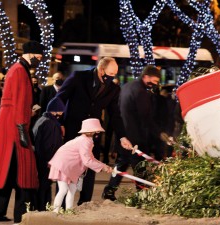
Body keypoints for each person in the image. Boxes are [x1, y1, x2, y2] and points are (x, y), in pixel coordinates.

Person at [55, 57, 133, 205]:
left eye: (115, 74)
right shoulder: (79, 77)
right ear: (101, 69)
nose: (112, 77)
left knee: (90, 167)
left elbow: (115, 114)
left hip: (93, 133)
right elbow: (60, 98)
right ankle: (63, 205)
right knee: (69, 166)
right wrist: (58, 123)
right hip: (73, 129)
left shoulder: (113, 89)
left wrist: (122, 137)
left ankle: (85, 202)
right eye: (111, 73)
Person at [0, 40, 44, 223]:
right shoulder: (18, 71)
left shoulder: (18, 69)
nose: (39, 60)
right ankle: (22, 215)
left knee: (9, 174)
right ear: (31, 54)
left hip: (13, 128)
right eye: (39, 57)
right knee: (22, 174)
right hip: (16, 130)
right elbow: (17, 103)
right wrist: (22, 129)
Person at [102, 65, 162, 201]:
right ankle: (142, 194)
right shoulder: (141, 92)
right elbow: (145, 117)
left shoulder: (128, 86)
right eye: (155, 81)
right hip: (135, 136)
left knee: (122, 163)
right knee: (140, 166)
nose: (155, 84)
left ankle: (109, 191)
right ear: (146, 77)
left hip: (123, 133)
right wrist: (159, 133)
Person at [48, 118, 113, 212]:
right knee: (63, 189)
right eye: (96, 130)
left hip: (70, 167)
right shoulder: (84, 141)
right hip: (64, 165)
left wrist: (103, 166)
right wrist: (102, 167)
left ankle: (69, 211)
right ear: (91, 131)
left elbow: (90, 158)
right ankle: (54, 212)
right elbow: (87, 161)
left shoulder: (87, 140)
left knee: (72, 190)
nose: (97, 132)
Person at [32, 97, 65, 211]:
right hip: (46, 160)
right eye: (61, 111)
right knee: (45, 185)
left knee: (41, 184)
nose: (61, 113)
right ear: (55, 110)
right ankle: (42, 209)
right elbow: (50, 145)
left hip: (39, 158)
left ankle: (39, 207)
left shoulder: (41, 119)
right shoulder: (51, 124)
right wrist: (50, 160)